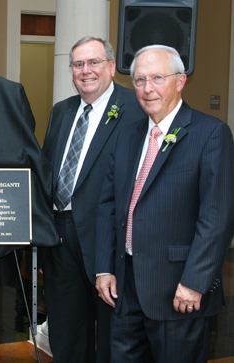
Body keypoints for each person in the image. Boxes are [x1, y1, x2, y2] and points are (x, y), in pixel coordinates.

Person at [95, 45, 234, 363]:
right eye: (139, 80)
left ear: (180, 81)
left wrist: (194, 283)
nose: (147, 89)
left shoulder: (210, 134)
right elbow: (108, 207)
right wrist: (104, 268)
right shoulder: (127, 136)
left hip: (179, 291)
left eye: (157, 78)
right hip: (125, 288)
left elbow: (217, 216)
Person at [40, 36, 145, 363]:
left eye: (94, 62)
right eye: (78, 64)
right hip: (60, 237)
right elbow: (46, 173)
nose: (86, 71)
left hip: (107, 240)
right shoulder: (62, 111)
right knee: (66, 330)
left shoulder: (135, 109)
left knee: (112, 333)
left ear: (112, 67)